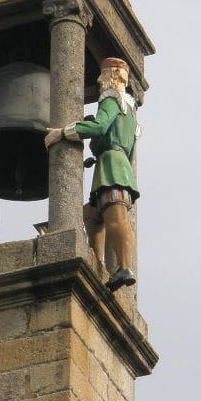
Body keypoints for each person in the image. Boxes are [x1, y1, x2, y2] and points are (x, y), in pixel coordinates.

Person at [44, 57, 140, 291]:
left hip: (111, 168)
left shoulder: (111, 100)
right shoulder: (130, 112)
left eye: (103, 74)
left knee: (116, 218)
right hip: (117, 166)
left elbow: (99, 126)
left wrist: (65, 132)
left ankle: (125, 267)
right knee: (92, 214)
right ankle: (98, 262)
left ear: (115, 76)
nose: (99, 80)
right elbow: (129, 152)